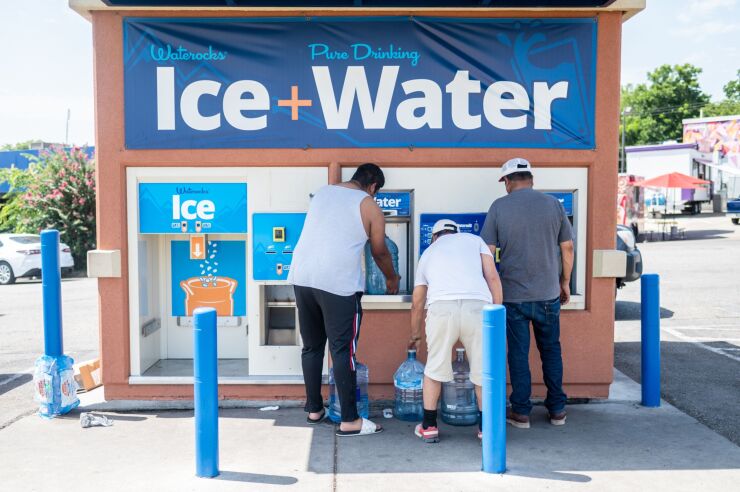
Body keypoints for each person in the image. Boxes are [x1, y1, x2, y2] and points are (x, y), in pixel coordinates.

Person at [288, 163, 400, 437]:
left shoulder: (322, 193)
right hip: (337, 282)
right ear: (373, 186)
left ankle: (315, 410)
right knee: (342, 351)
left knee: (312, 347)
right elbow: (380, 251)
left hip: (302, 277)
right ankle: (350, 420)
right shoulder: (369, 205)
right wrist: (392, 278)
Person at [480, 157, 574, 429]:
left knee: (518, 354)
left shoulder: (499, 207)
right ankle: (557, 410)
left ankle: (521, 412)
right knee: (551, 351)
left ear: (507, 182)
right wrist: (564, 282)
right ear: (531, 179)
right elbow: (567, 248)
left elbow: (486, 251)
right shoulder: (554, 205)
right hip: (548, 294)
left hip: (513, 296)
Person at [408, 219, 503, 443]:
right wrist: (497, 316)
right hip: (477, 307)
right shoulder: (475, 240)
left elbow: (417, 301)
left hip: (441, 309)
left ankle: (429, 426)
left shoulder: (428, 253)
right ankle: (485, 429)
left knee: (434, 367)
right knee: (483, 370)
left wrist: (415, 335)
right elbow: (492, 277)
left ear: (434, 236)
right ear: (456, 232)